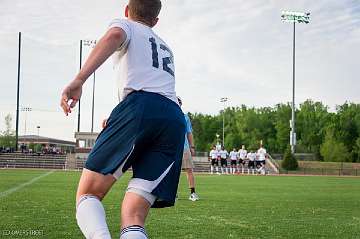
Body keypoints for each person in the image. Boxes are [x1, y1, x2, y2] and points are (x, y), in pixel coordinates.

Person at [60, 1, 185, 238]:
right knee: (134, 216)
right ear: (156, 21)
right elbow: (155, 89)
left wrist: (79, 80)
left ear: (127, 11)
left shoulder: (126, 25)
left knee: (88, 194)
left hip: (139, 108)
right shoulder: (165, 46)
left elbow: (115, 34)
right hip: (172, 118)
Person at [177, 97, 199, 201]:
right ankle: (173, 194)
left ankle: (193, 193)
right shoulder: (168, 115)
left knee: (189, 170)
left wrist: (192, 146)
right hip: (171, 148)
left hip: (184, 147)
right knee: (173, 172)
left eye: (179, 102)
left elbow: (189, 133)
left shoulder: (185, 117)